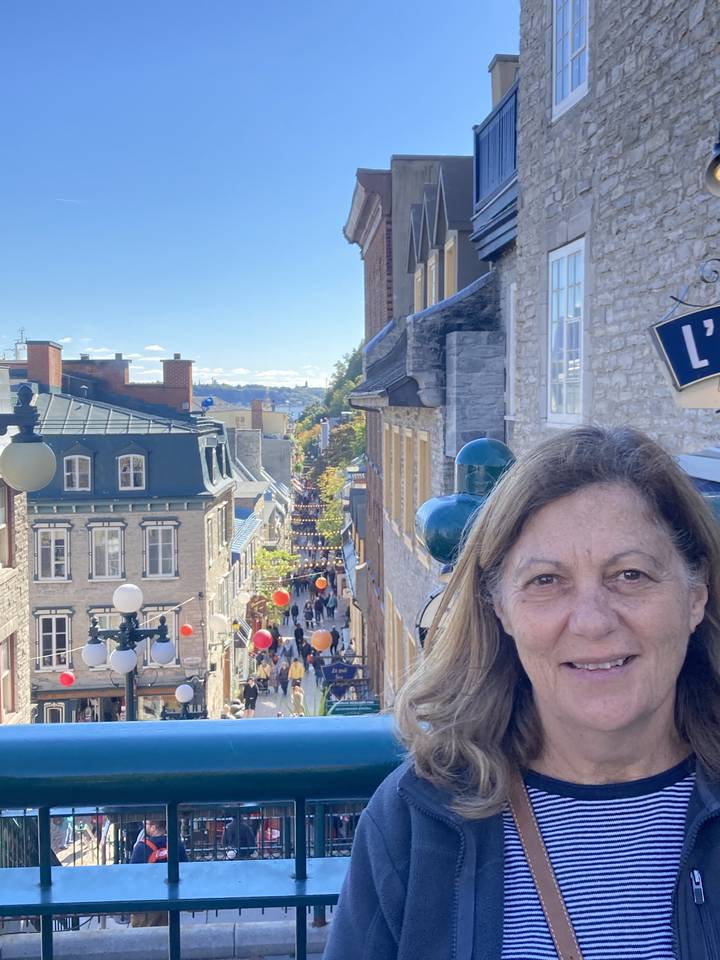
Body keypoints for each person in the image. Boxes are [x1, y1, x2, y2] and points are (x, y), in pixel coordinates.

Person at [324, 425, 720, 960]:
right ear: (500, 610)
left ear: (695, 597)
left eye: (630, 574)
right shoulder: (416, 822)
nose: (592, 621)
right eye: (546, 581)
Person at [130, 818, 188, 927]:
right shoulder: (176, 844)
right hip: (169, 900)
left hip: (146, 903)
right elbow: (185, 870)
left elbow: (133, 877)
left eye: (145, 823)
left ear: (154, 826)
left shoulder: (141, 848)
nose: (144, 826)